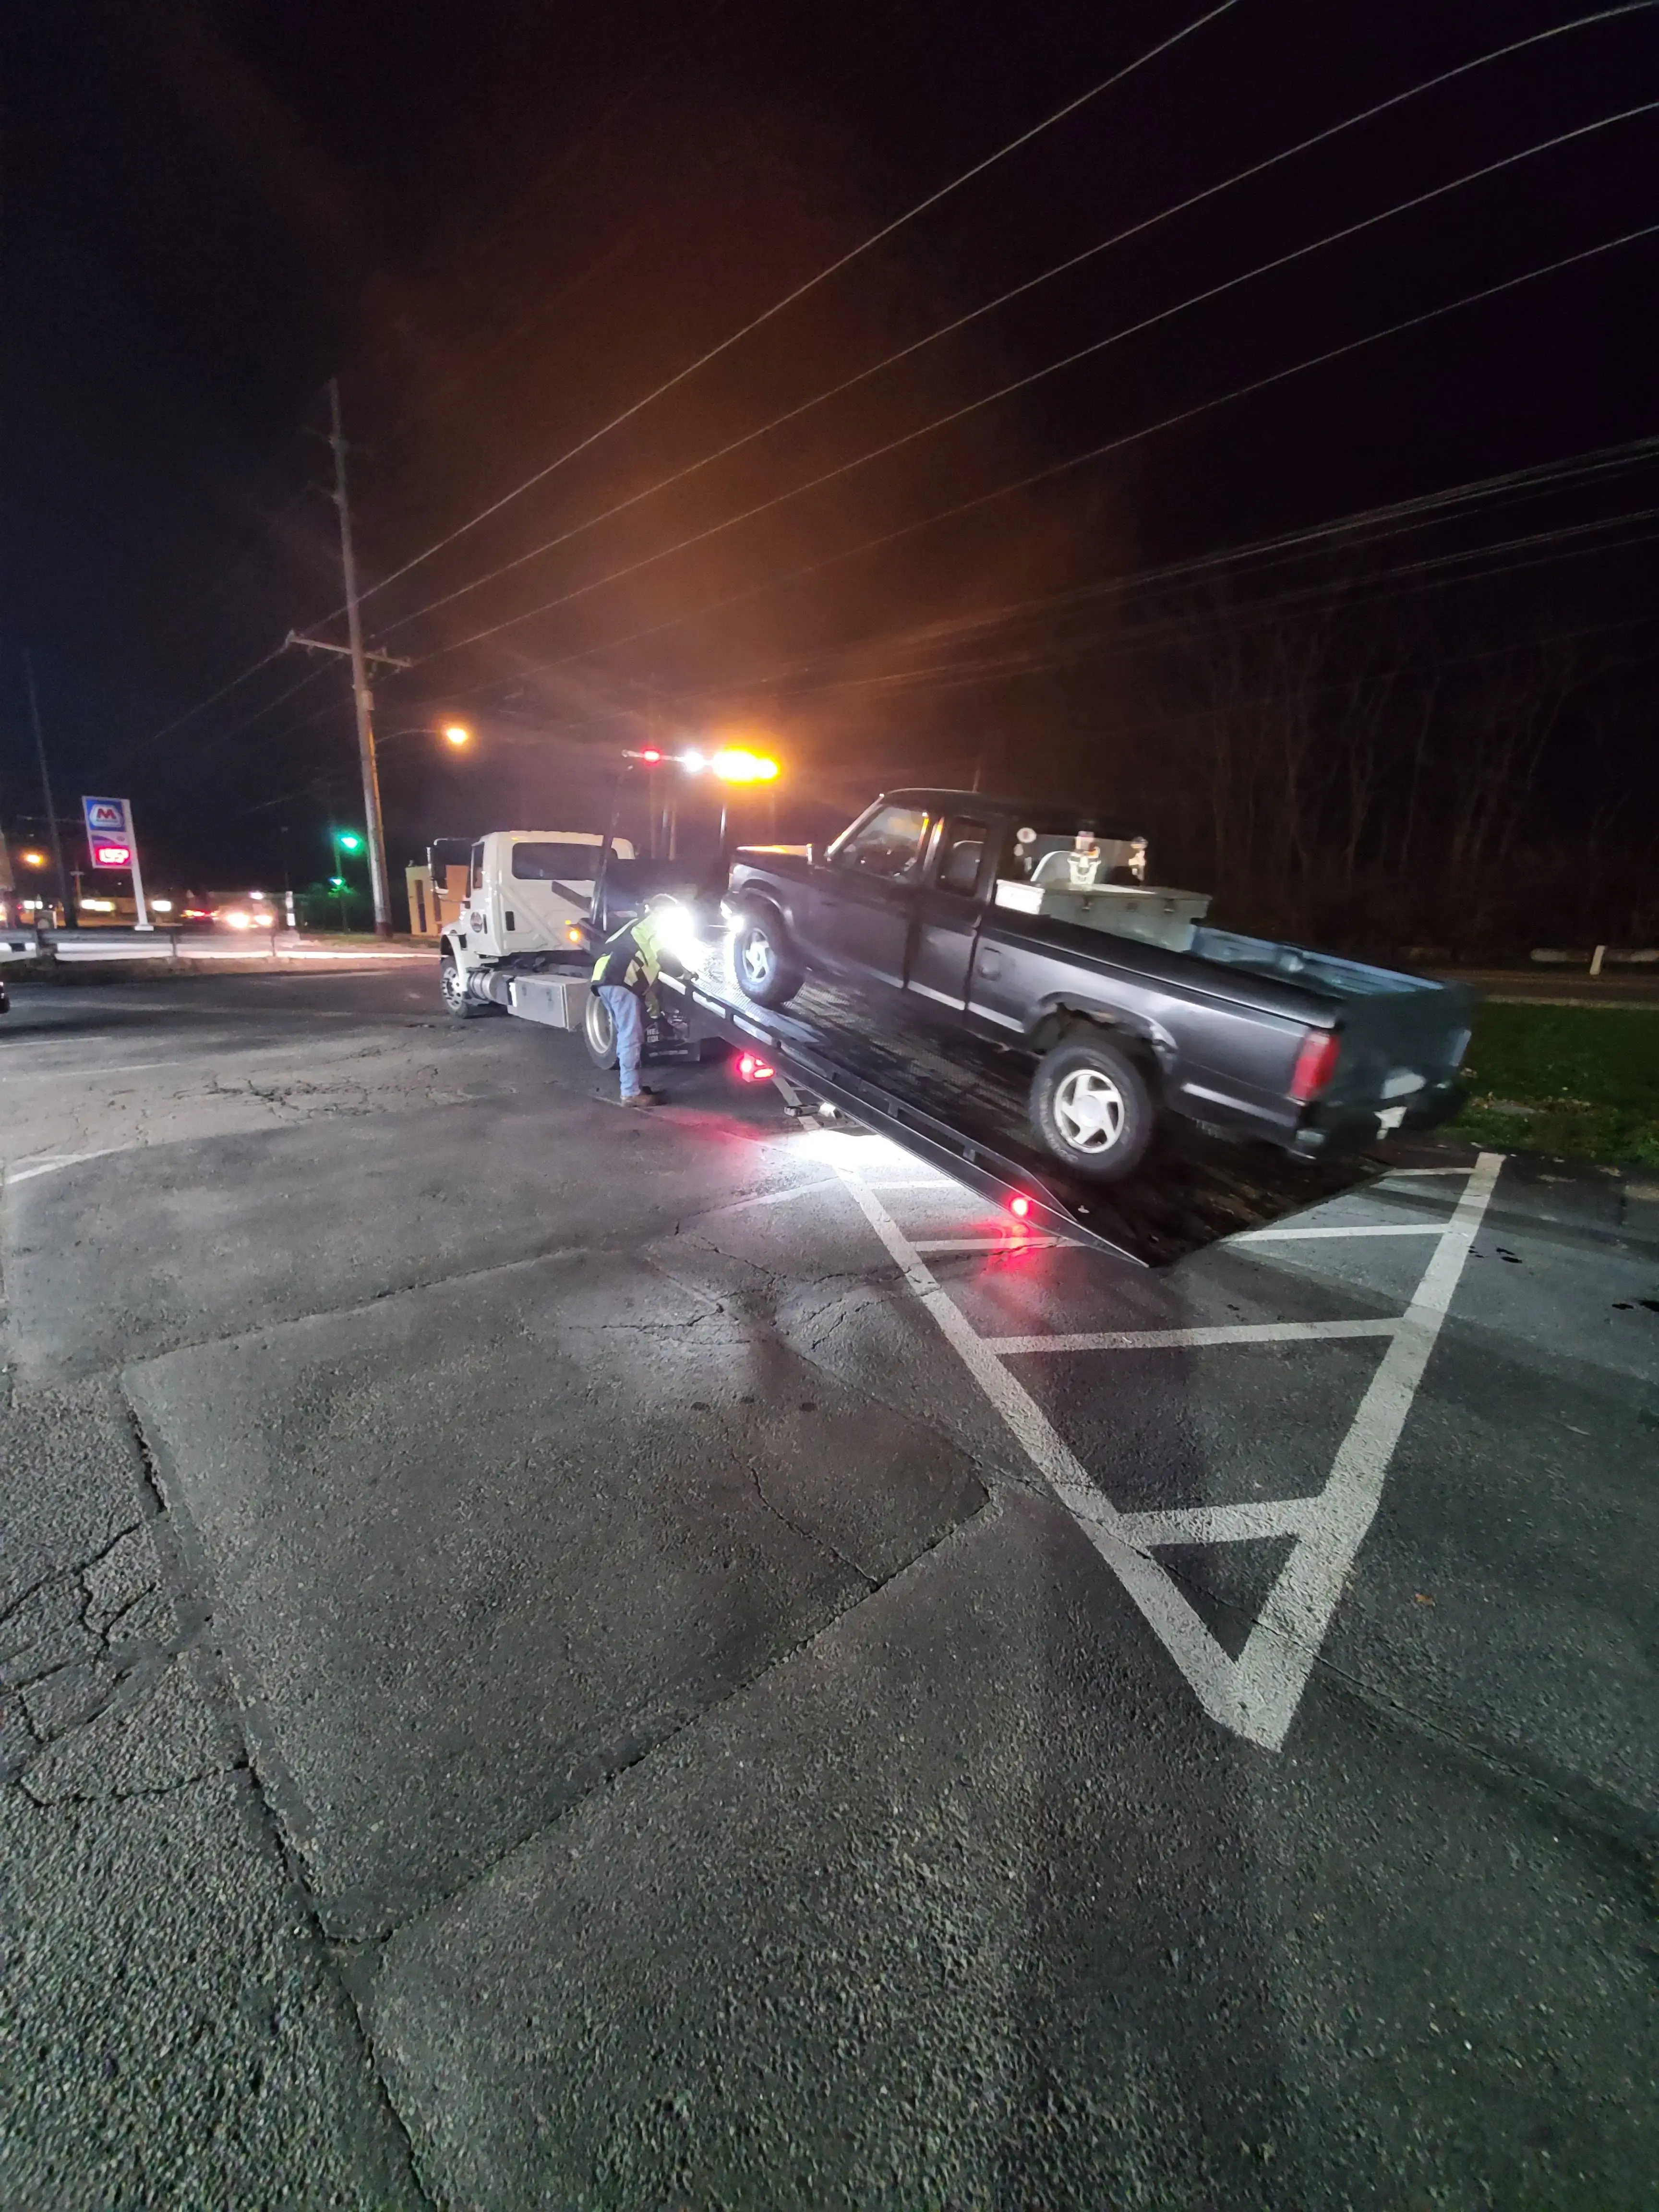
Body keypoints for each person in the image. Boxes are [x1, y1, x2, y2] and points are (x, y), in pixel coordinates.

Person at [589, 893, 692, 1106]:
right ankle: (630, 1093)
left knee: (626, 1035)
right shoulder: (656, 926)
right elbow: (667, 959)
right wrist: (686, 975)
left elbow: (649, 989)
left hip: (606, 979)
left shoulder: (637, 925)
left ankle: (632, 1086)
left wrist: (656, 1017)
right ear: (664, 913)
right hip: (621, 981)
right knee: (630, 1037)